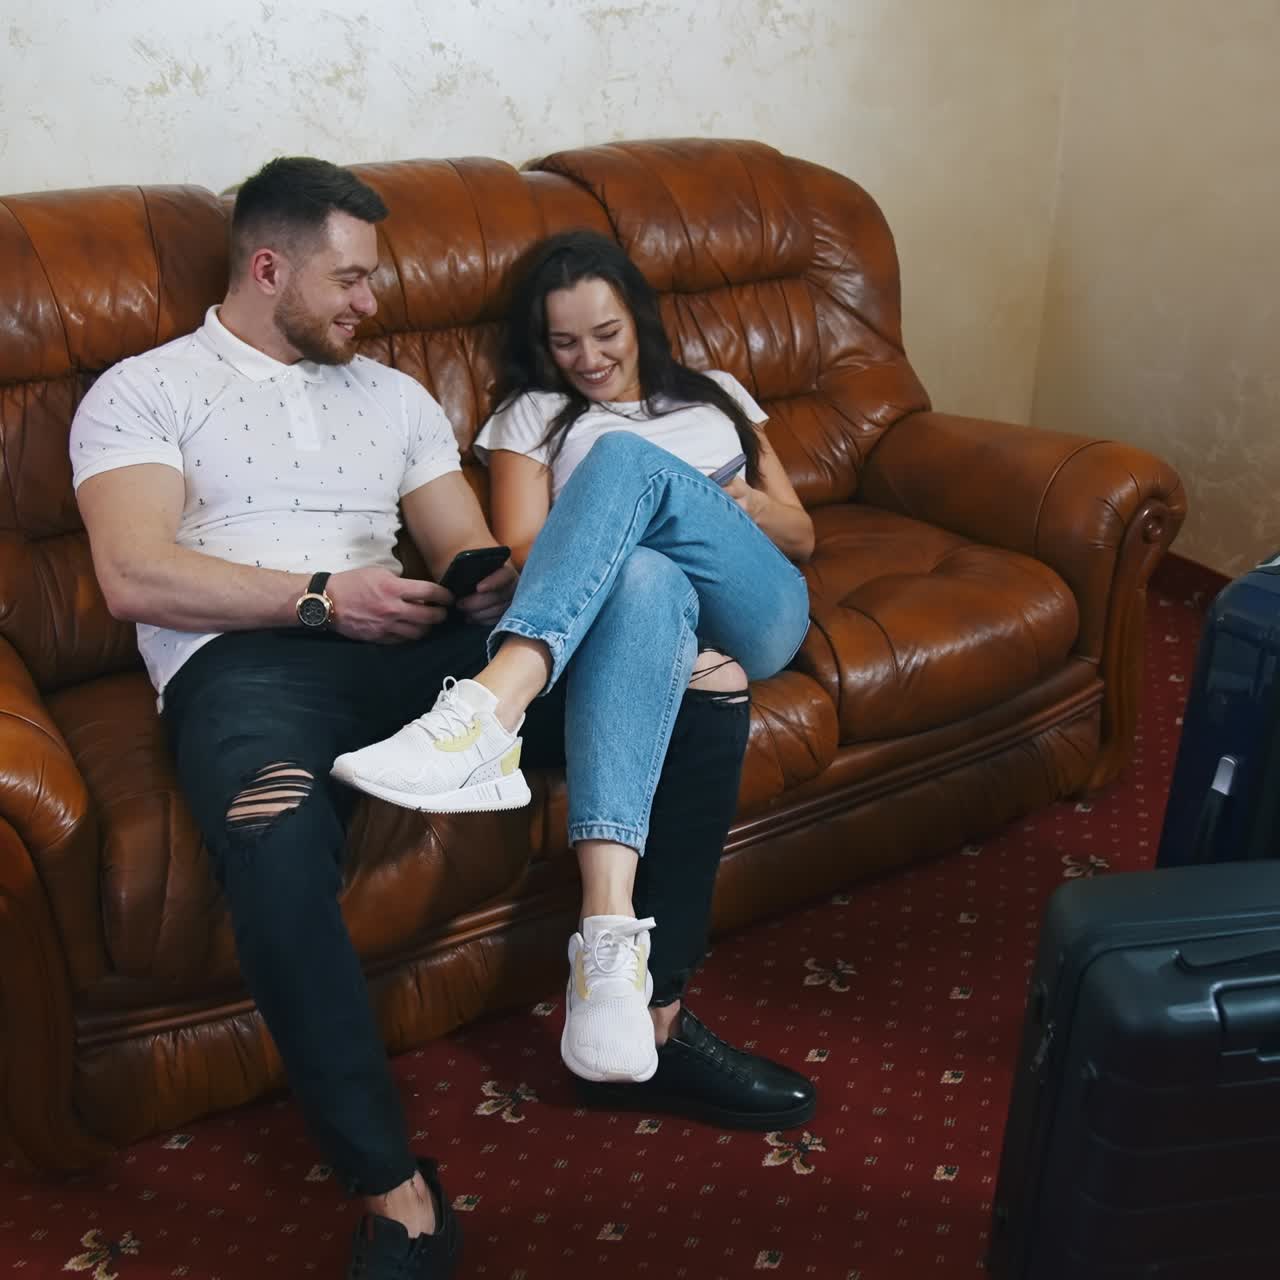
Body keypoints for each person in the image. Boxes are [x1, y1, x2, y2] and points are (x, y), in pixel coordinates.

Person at [70, 160, 814, 1280]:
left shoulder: (395, 395)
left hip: (415, 647)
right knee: (271, 835)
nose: (374, 303)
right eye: (352, 279)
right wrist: (321, 593)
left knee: (684, 652)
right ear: (268, 268)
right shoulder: (144, 389)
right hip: (250, 664)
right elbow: (133, 572)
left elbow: (470, 552)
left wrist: (494, 581)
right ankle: (391, 1187)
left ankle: (646, 1017)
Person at [334, 228, 815, 1089]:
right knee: (640, 568)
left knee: (632, 464)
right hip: (639, 613)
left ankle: (491, 706)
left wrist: (709, 499)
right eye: (564, 343)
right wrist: (636, 517)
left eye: (606, 335)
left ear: (639, 319)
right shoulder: (529, 417)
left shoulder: (719, 393)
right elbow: (523, 548)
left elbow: (800, 530)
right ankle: (608, 941)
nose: (588, 359)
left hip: (757, 604)